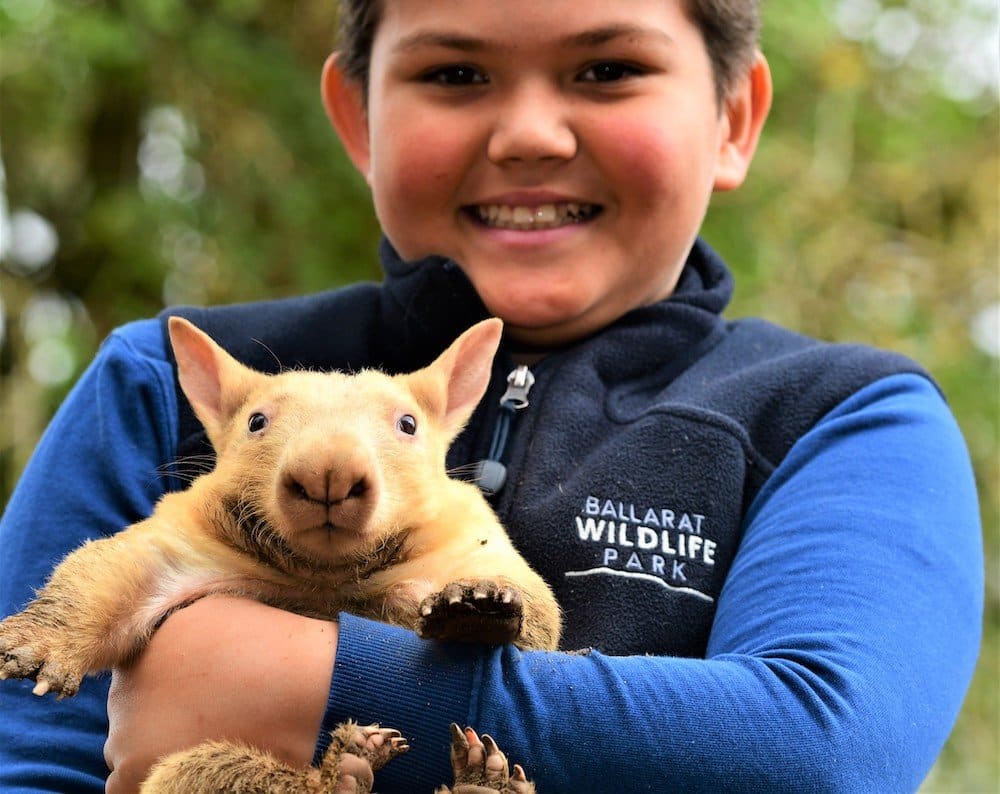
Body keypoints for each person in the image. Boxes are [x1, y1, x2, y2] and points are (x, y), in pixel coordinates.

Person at [0, 1, 983, 791]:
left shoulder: (838, 417)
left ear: (731, 119)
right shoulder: (161, 387)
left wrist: (297, 684)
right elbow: (27, 754)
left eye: (606, 70)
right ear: (357, 119)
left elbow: (820, 752)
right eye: (454, 74)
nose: (527, 134)